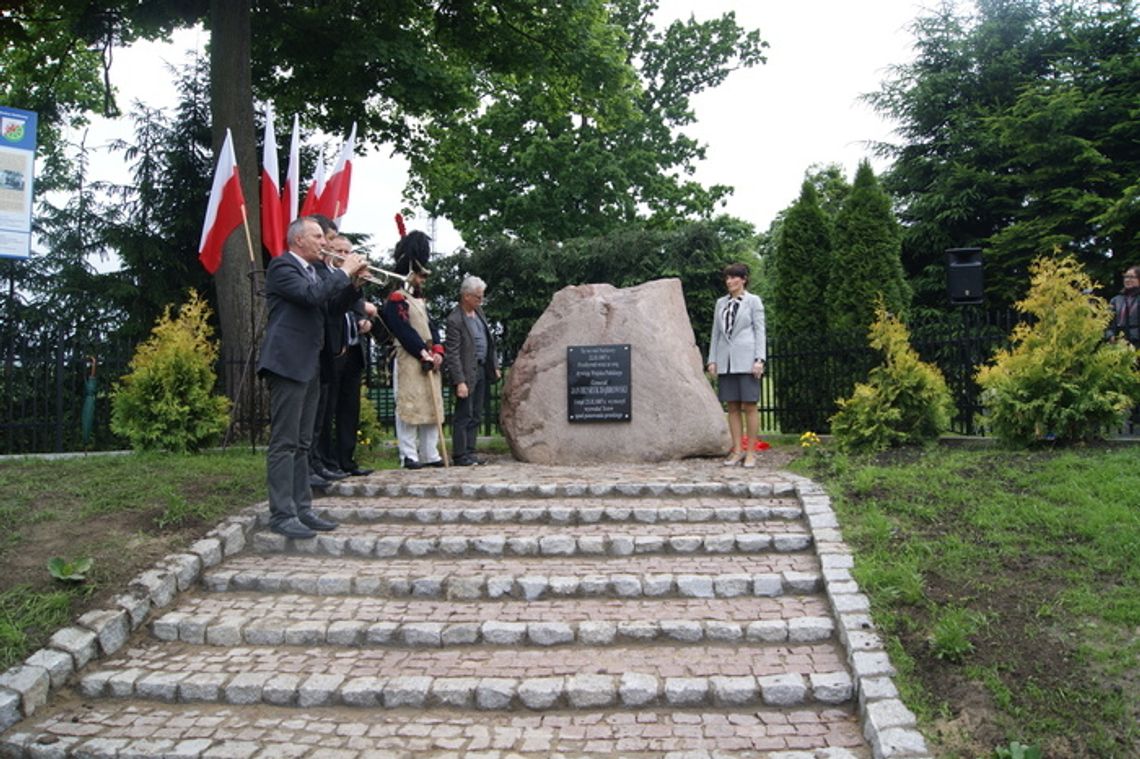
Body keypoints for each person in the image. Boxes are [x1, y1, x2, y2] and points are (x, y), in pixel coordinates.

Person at [258, 216, 367, 539]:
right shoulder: (282, 267)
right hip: (288, 364)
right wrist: (343, 273)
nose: (324, 242)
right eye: (318, 236)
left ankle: (302, 508)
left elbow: (331, 308)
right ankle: (282, 514)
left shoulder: (314, 271)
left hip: (311, 364)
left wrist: (354, 285)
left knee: (304, 443)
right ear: (298, 240)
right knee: (285, 442)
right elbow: (310, 296)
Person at [382, 230, 445, 469]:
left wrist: (437, 350)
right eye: (420, 275)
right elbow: (402, 329)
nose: (422, 280)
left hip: (428, 355)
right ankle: (408, 454)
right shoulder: (397, 298)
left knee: (431, 404)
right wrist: (421, 351)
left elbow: (431, 327)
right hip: (408, 357)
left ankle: (430, 452)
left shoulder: (420, 300)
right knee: (408, 405)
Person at [325, 233, 377, 476]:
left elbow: (357, 309)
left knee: (349, 408)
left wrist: (364, 321)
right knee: (329, 407)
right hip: (334, 351)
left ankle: (347, 460)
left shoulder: (351, 280)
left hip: (354, 350)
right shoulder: (328, 278)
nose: (344, 256)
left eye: (348, 252)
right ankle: (328, 461)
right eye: (340, 251)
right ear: (329, 250)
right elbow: (333, 308)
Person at [706, 262, 767, 469]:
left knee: (749, 406)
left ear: (743, 279)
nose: (729, 281)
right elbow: (716, 333)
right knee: (732, 406)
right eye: (727, 278)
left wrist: (759, 359)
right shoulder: (720, 303)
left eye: (733, 277)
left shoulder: (753, 301)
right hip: (726, 361)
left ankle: (751, 452)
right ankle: (737, 450)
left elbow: (760, 331)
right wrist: (712, 359)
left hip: (747, 360)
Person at [444, 275, 500, 466]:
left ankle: (470, 451)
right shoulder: (455, 319)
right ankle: (460, 454)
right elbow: (452, 354)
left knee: (476, 413)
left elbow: (489, 340)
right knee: (464, 414)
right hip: (466, 371)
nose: (481, 300)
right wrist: (459, 381)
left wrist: (494, 364)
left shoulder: (479, 312)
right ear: (466, 296)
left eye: (482, 296)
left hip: (482, 368)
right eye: (478, 297)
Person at [1107, 266, 1140, 347]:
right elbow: (1107, 323)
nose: (1127, 280)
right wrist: (1110, 335)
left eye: (1131, 277)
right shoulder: (1116, 300)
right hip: (1119, 343)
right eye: (1126, 277)